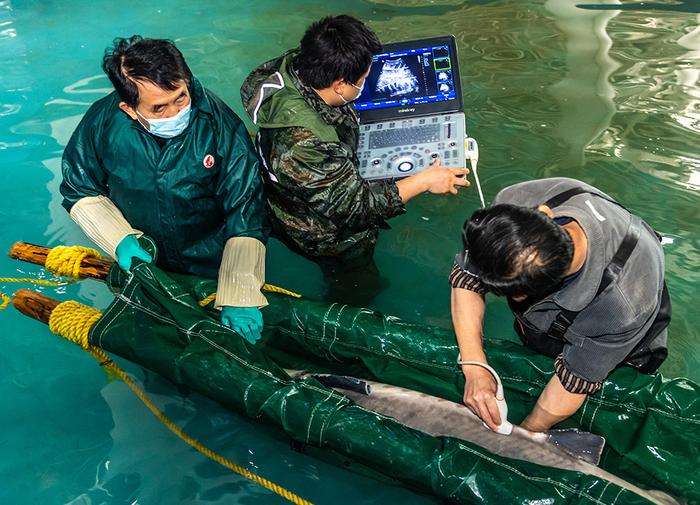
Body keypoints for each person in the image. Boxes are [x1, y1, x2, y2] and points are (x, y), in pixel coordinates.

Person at [60, 36, 269, 344]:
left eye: (180, 98)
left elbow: (246, 206)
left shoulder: (218, 124)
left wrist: (240, 289)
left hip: (211, 262)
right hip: (143, 261)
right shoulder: (103, 123)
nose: (175, 114)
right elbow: (79, 186)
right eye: (159, 108)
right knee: (157, 345)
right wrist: (120, 241)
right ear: (129, 109)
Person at [240, 15, 469, 279]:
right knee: (362, 283)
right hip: (324, 233)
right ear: (338, 84)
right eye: (362, 80)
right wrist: (423, 182)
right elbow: (354, 209)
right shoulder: (304, 143)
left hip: (316, 182)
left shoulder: (298, 65)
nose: (366, 83)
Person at [450, 177, 670, 432]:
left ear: (523, 296)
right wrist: (476, 367)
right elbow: (467, 278)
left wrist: (524, 436)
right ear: (542, 213)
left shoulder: (624, 307)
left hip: (629, 332)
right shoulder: (518, 204)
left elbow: (574, 381)